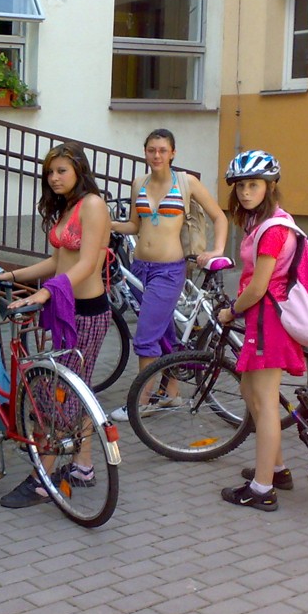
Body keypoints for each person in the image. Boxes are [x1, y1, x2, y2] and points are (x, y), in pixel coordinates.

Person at [0, 142, 112, 508]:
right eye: (50, 172)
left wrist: (46, 293)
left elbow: (87, 264)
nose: (54, 178)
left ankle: (42, 480)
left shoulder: (93, 205)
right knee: (76, 388)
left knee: (56, 394)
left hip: (87, 312)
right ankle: (83, 467)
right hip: (68, 310)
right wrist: (12, 275)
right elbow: (57, 262)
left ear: (79, 171)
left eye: (62, 171)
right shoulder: (68, 207)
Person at [109, 129, 228, 422]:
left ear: (173, 153)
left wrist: (217, 250)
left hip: (169, 271)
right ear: (145, 152)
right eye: (151, 150)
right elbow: (135, 225)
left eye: (163, 150)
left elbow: (219, 216)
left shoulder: (186, 183)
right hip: (140, 269)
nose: (157, 155)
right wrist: (106, 223)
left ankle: (141, 401)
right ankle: (171, 393)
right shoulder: (139, 183)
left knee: (146, 335)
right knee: (163, 332)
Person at [217, 150, 305, 511]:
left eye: (253, 185)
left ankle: (262, 489)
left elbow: (258, 287)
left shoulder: (273, 229)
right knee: (249, 390)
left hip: (270, 320)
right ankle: (277, 469)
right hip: (263, 319)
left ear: (270, 187)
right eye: (240, 186)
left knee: (266, 402)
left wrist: (230, 311)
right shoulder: (263, 222)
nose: (245, 192)